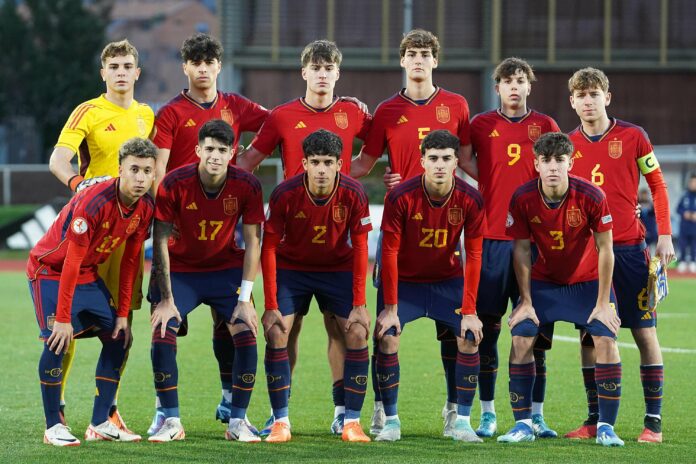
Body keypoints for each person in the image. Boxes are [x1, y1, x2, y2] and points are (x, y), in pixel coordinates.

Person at [238, 39, 372, 435]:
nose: (322, 74)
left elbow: (381, 143)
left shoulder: (352, 112)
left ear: (337, 73)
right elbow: (248, 161)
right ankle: (280, 415)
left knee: (343, 329)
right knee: (284, 328)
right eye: (315, 68)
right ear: (304, 73)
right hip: (292, 239)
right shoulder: (282, 116)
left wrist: (355, 179)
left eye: (328, 67)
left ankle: (343, 413)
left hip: (335, 250)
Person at [350, 28, 473, 436]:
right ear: (402, 61)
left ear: (435, 61)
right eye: (411, 54)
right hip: (401, 223)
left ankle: (456, 409)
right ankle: (383, 411)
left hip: (443, 230)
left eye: (425, 54)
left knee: (453, 333)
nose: (418, 60)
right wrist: (320, 180)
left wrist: (502, 191)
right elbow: (364, 164)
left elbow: (470, 160)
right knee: (387, 327)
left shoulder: (456, 105)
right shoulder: (387, 110)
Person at [149, 32, 269, 434]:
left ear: (219, 65)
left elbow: (278, 124)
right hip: (180, 235)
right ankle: (165, 412)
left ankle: (232, 407)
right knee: (162, 323)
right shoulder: (170, 113)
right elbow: (159, 171)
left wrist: (250, 161)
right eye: (195, 62)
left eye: (209, 61)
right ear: (185, 67)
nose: (202, 68)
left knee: (231, 324)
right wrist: (175, 202)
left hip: (221, 245)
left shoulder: (235, 107)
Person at [47, 39, 154, 433]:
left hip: (126, 236)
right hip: (90, 233)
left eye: (128, 65)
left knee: (122, 324)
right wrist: (78, 183)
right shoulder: (88, 111)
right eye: (114, 66)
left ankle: (105, 412)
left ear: (137, 72)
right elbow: (58, 159)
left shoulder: (146, 114)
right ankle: (56, 403)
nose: (122, 71)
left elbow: (146, 169)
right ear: (103, 73)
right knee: (68, 321)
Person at [566, 68, 675, 443]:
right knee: (588, 335)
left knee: (644, 332)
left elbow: (657, 186)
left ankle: (653, 422)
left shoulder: (633, 136)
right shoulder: (567, 145)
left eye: (594, 94)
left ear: (607, 98)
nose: (588, 101)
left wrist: (664, 237)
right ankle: (594, 419)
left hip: (629, 250)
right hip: (587, 254)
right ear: (572, 102)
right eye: (581, 95)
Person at [29, 138, 157, 446]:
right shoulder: (94, 202)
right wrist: (62, 319)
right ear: (120, 169)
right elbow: (70, 262)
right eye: (134, 169)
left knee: (120, 337)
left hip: (86, 274)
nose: (140, 178)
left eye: (147, 171)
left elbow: (130, 261)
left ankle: (100, 422)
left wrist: (124, 315)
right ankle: (53, 427)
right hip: (50, 271)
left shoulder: (146, 207)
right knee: (57, 341)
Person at [500, 132, 624, 447]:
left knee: (605, 337)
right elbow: (521, 251)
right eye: (546, 161)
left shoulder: (592, 195)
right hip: (544, 284)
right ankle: (523, 424)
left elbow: (606, 249)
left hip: (587, 284)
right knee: (521, 335)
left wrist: (602, 303)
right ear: (536, 164)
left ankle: (606, 426)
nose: (553, 167)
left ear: (571, 162)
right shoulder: (523, 197)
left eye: (559, 160)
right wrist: (525, 301)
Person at [461, 57, 561, 438]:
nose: (514, 87)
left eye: (521, 80)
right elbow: (465, 159)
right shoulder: (481, 124)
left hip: (533, 243)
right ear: (497, 87)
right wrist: (487, 181)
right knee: (485, 330)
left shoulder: (546, 126)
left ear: (529, 86)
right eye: (507, 81)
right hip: (490, 241)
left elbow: (562, 169)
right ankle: (488, 413)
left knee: (532, 331)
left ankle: (535, 414)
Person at [261, 129, 372, 443]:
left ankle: (350, 420)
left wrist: (360, 303)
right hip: (292, 268)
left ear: (339, 164)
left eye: (328, 162)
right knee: (279, 329)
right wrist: (271, 305)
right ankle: (280, 420)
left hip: (337, 268)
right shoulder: (285, 193)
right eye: (315, 162)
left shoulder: (354, 192)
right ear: (304, 164)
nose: (321, 169)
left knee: (356, 330)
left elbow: (362, 247)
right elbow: (268, 248)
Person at [373, 130, 485, 443]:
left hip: (447, 283)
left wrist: (470, 311)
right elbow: (389, 252)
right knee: (387, 336)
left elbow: (474, 254)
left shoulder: (470, 198)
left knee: (470, 337)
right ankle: (389, 419)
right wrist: (391, 308)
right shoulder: (401, 196)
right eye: (433, 158)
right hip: (405, 283)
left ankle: (460, 420)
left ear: (456, 163)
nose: (439, 164)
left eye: (446, 158)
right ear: (422, 161)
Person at [676, 174, 696, 273]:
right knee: (682, 245)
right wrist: (685, 213)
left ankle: (693, 262)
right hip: (684, 227)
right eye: (692, 182)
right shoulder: (685, 196)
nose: (693, 184)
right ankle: (682, 261)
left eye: (695, 182)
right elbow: (678, 209)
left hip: (694, 227)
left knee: (694, 246)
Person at [639, 188, 659, 255]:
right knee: (642, 250)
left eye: (645, 195)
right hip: (641, 231)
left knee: (652, 249)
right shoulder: (636, 205)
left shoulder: (652, 205)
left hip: (651, 231)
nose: (644, 196)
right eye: (642, 195)